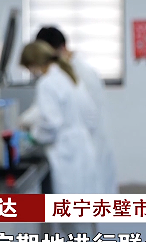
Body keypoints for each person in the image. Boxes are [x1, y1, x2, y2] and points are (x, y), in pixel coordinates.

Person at [19, 40, 100, 242]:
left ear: (33, 64)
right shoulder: (66, 75)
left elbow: (50, 124)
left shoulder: (47, 82)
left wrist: (32, 136)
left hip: (67, 155)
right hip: (80, 150)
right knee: (79, 218)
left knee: (72, 220)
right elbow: (84, 114)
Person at [36, 26, 119, 194]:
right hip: (83, 148)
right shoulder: (64, 73)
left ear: (61, 48)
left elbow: (88, 115)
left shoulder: (81, 73)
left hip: (90, 146)